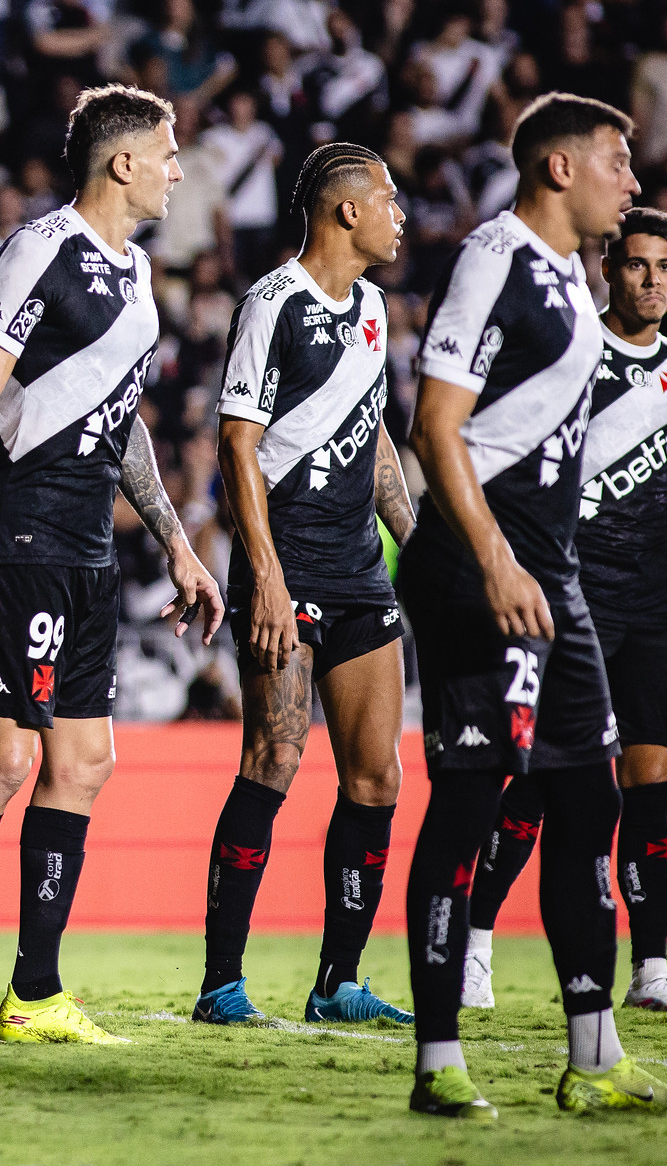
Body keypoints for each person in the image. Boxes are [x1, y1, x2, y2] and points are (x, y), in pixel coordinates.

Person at [399, 93, 667, 1118]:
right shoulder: (493, 255)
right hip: (478, 569)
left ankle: (593, 1058)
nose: (632, 180)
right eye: (616, 161)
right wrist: (490, 560)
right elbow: (432, 422)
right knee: (468, 801)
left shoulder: (570, 284)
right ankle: (438, 1063)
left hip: (550, 572)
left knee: (588, 801)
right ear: (557, 168)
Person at [0, 85, 224, 1047]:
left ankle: (35, 992)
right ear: (121, 162)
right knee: (1, 760)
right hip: (21, 532)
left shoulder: (133, 276)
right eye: (168, 152)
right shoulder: (42, 248)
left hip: (88, 541)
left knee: (83, 762)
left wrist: (172, 537)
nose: (177, 169)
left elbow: (121, 424)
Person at [460, 207, 667, 1018]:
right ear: (609, 270)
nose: (652, 279)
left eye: (666, 266)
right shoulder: (572, 355)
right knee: (543, 781)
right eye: (637, 265)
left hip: (651, 601)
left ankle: (650, 968)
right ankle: (476, 946)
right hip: (569, 595)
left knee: (649, 788)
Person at [192, 142, 416, 1029]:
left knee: (378, 774)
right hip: (284, 564)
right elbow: (236, 443)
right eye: (388, 199)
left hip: (361, 566)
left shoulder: (373, 307)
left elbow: (378, 437)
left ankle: (337, 981)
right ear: (346, 212)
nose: (401, 214)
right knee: (274, 758)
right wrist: (269, 582)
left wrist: (422, 546)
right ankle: (220, 983)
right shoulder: (273, 304)